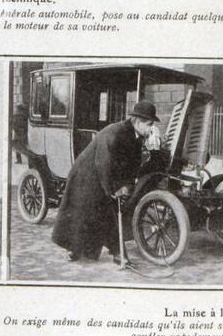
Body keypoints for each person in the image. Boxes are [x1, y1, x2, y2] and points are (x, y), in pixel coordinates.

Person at [51, 101, 160, 262]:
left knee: (102, 213)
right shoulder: (115, 132)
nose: (151, 129)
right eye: (148, 124)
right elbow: (104, 162)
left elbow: (133, 165)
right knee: (85, 213)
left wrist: (127, 186)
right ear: (136, 121)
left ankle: (114, 253)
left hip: (102, 175)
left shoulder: (137, 137)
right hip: (86, 174)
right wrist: (113, 190)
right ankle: (109, 253)